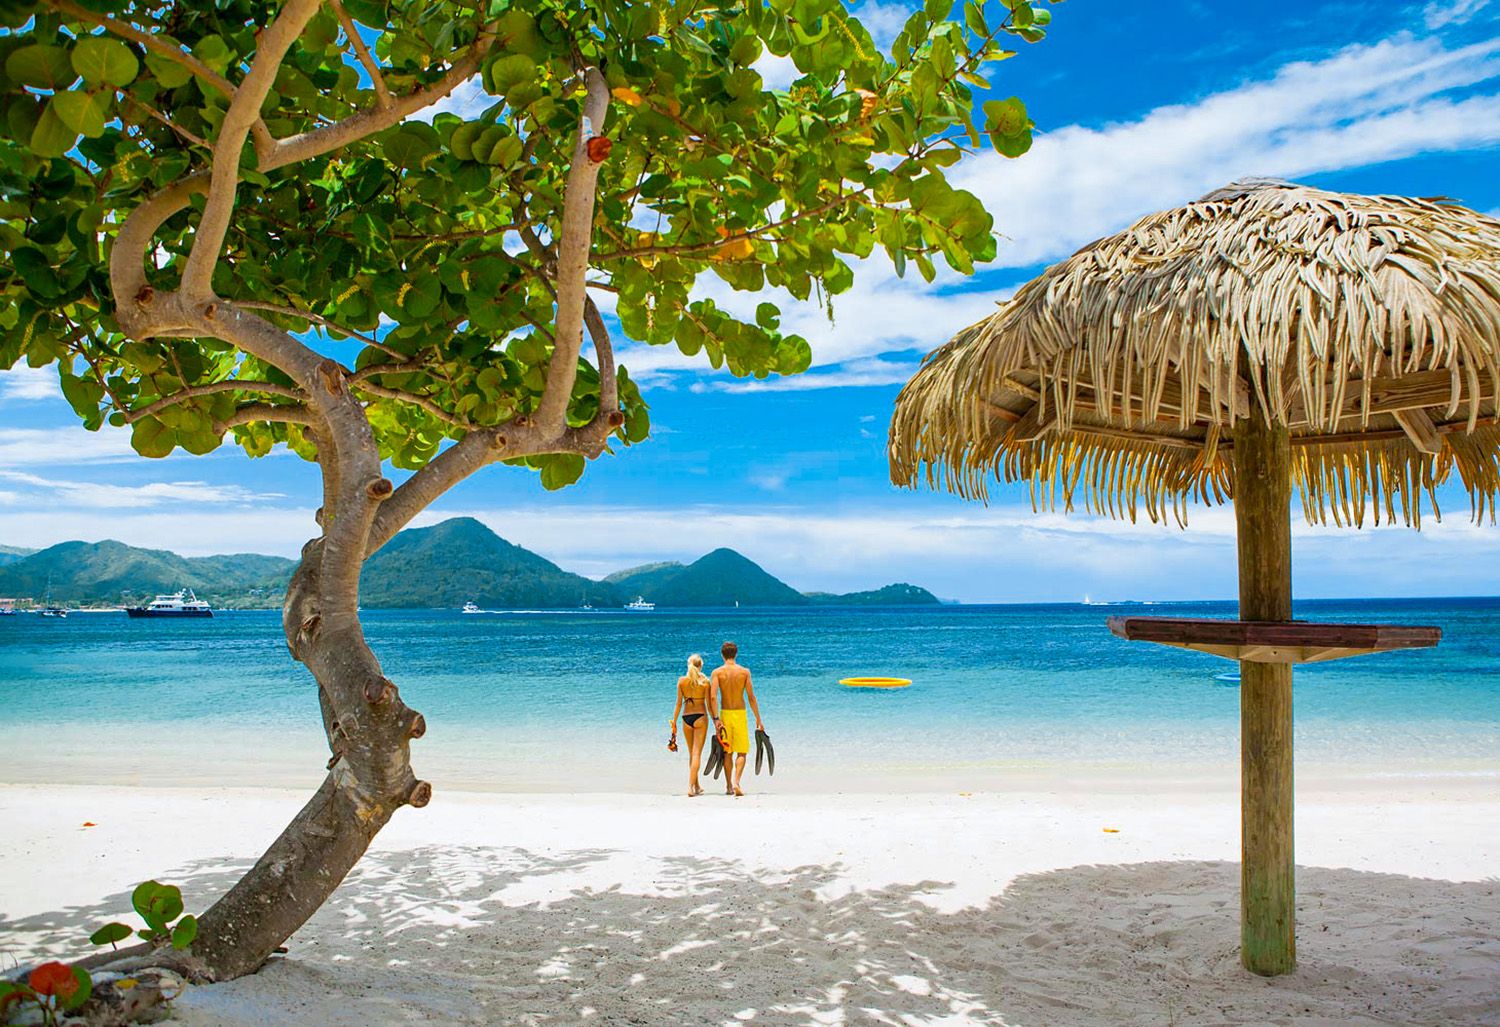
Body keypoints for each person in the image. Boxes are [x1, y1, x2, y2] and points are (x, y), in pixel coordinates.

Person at [709, 640, 764, 797]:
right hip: (740, 713)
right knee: (742, 751)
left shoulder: (717, 672)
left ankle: (728, 786)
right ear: (736, 654)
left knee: (727, 751)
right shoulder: (744, 672)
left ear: (722, 655)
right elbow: (751, 697)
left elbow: (713, 697)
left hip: (725, 714)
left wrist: (716, 718)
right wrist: (758, 718)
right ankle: (736, 783)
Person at [670, 653, 712, 797]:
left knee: (691, 754)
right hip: (700, 717)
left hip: (685, 717)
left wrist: (674, 722)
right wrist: (716, 720)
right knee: (696, 754)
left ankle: (696, 786)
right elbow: (709, 705)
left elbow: (678, 704)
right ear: (700, 666)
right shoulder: (705, 682)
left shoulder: (681, 681)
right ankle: (690, 787)